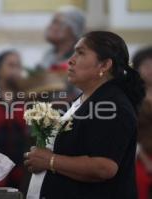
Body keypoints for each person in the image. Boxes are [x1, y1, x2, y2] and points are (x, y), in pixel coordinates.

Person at [24, 31, 145, 199]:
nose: (71, 60)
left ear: (104, 65)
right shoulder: (84, 100)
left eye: (81, 53)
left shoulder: (112, 106)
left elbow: (104, 167)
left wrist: (50, 161)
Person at [0, 50, 29, 190]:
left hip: (20, 168)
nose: (15, 70)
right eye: (11, 65)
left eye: (18, 66)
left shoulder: (26, 99)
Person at [38, 5, 85, 72]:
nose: (50, 26)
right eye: (52, 22)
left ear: (72, 29)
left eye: (56, 22)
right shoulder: (48, 55)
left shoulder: (81, 58)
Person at [133, 47, 152, 199]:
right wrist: (146, 160)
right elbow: (131, 134)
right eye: (146, 66)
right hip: (140, 155)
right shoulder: (132, 97)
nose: (150, 70)